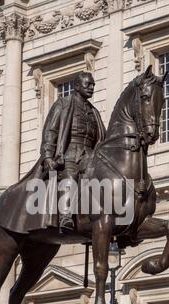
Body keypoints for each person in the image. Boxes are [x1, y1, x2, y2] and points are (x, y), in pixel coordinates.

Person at [40, 71, 106, 232]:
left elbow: (101, 137)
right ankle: (66, 216)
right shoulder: (63, 104)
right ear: (77, 86)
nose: (91, 87)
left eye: (93, 85)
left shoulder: (94, 112)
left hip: (90, 154)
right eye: (88, 84)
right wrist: (48, 155)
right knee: (71, 177)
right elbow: (51, 131)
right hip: (69, 153)